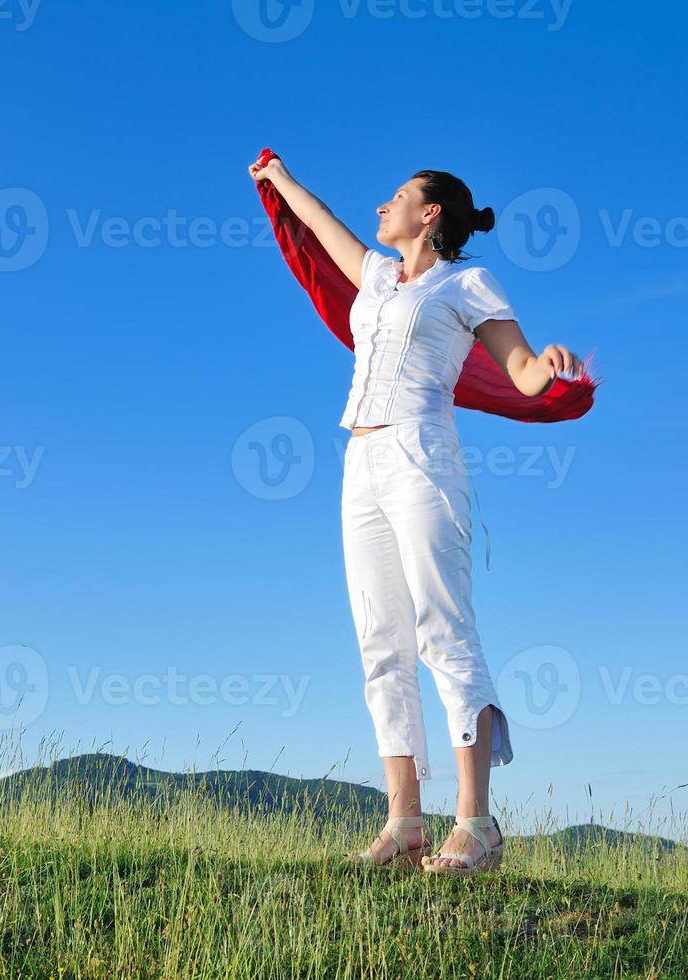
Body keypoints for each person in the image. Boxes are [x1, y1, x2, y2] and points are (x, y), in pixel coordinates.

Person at [248, 152, 586, 875]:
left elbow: (520, 368)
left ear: (430, 213)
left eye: (398, 197)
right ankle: (404, 823)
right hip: (359, 461)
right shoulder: (373, 274)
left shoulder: (468, 282)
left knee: (443, 630)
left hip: (422, 457)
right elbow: (321, 222)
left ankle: (476, 823)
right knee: (380, 642)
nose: (382, 206)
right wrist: (278, 179)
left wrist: (549, 366)